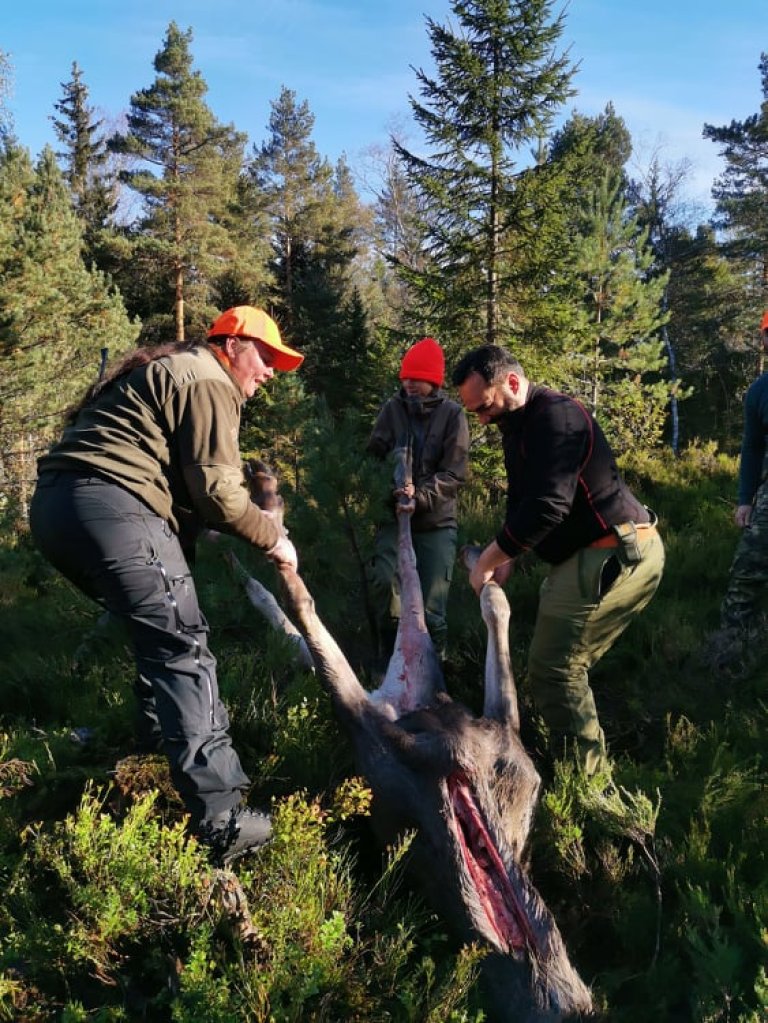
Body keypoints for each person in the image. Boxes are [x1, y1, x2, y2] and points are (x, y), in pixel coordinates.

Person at [29, 306, 303, 865]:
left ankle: (155, 748)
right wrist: (273, 536)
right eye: (267, 356)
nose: (271, 372)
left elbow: (185, 501)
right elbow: (221, 495)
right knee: (182, 646)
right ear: (231, 344)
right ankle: (223, 818)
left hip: (61, 511)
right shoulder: (207, 378)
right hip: (111, 507)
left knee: (159, 636)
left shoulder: (174, 372)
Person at [452, 344, 665, 776]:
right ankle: (580, 764)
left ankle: (587, 788)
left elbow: (549, 506)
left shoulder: (557, 417)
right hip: (586, 556)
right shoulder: (518, 428)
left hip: (618, 553)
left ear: (511, 383)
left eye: (486, 406)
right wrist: (506, 558)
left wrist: (486, 561)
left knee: (555, 668)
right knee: (557, 661)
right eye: (474, 411)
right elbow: (522, 501)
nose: (482, 419)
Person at [367, 336, 469, 664]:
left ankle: (433, 678)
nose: (409, 384)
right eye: (405, 378)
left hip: (436, 523)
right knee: (386, 589)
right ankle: (389, 669)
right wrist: (389, 491)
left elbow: (454, 475)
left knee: (431, 611)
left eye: (417, 378)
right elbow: (371, 460)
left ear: (434, 380)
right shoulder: (391, 410)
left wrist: (420, 498)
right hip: (392, 519)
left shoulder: (453, 415)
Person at [709, 311, 768, 677]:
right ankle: (729, 654)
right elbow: (752, 449)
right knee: (746, 573)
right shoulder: (759, 391)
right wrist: (745, 499)